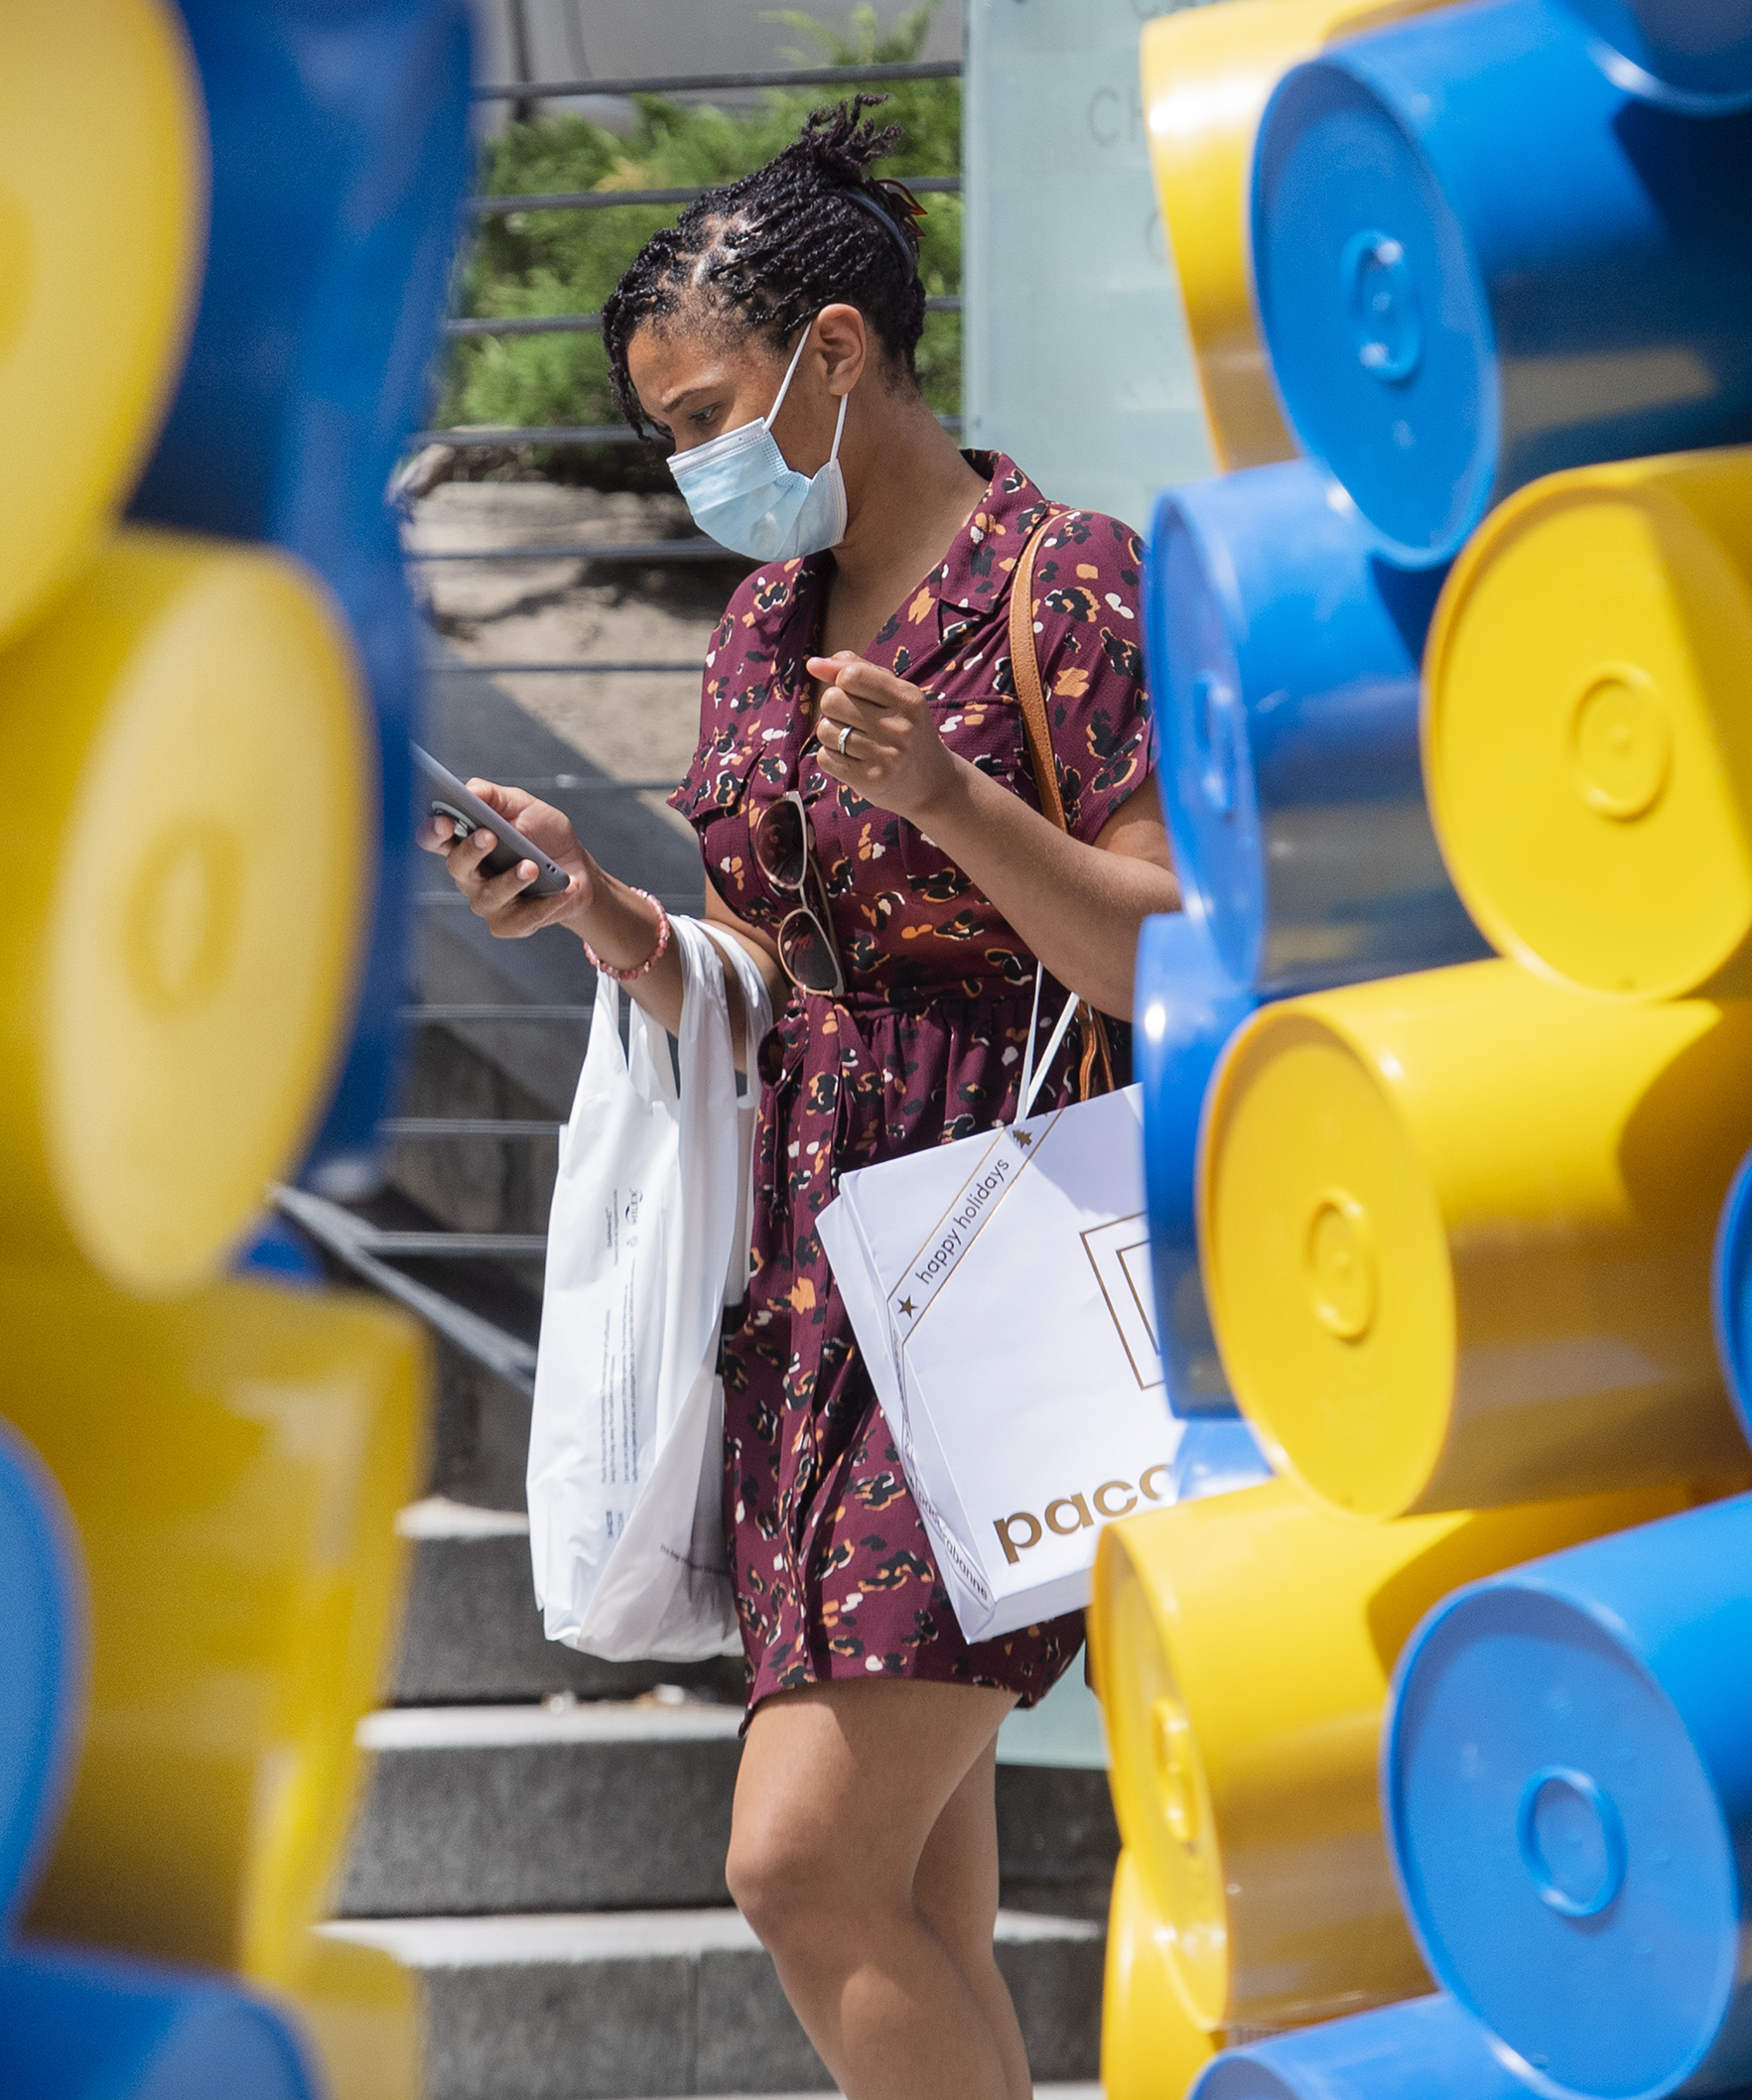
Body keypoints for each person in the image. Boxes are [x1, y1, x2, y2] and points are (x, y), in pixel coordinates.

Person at [424, 99, 1178, 2100]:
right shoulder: (763, 629)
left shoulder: (1064, 585)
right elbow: (773, 971)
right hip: (811, 1286)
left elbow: (1164, 959)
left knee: (797, 1859)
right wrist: (602, 913)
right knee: (913, 1894)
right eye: (665, 431)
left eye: (704, 413)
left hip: (1009, 1265)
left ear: (835, 352)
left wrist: (952, 796)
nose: (691, 466)